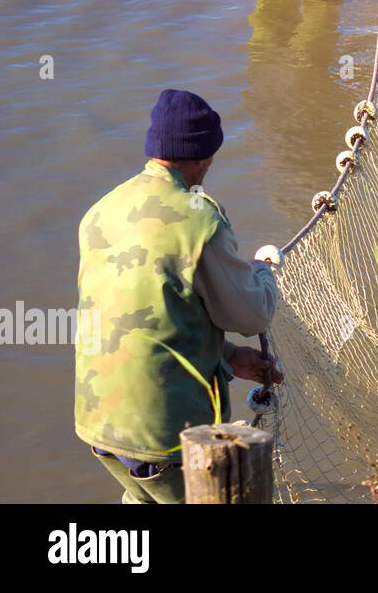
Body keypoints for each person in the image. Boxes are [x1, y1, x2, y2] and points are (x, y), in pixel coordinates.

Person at [75, 89, 281, 503]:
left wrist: (224, 356)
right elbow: (252, 314)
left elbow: (135, 317)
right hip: (165, 434)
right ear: (203, 155)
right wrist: (264, 270)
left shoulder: (101, 210)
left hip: (99, 424)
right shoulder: (198, 216)